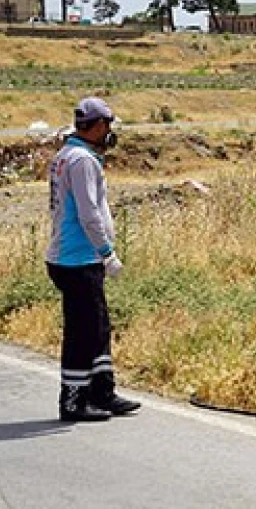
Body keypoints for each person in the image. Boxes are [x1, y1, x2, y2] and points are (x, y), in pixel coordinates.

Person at [46, 97, 140, 422]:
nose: (110, 132)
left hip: (76, 257)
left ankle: (103, 391)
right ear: (97, 126)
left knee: (99, 327)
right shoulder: (82, 160)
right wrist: (107, 253)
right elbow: (89, 214)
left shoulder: (66, 155)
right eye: (108, 125)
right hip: (77, 260)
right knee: (82, 332)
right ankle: (73, 401)